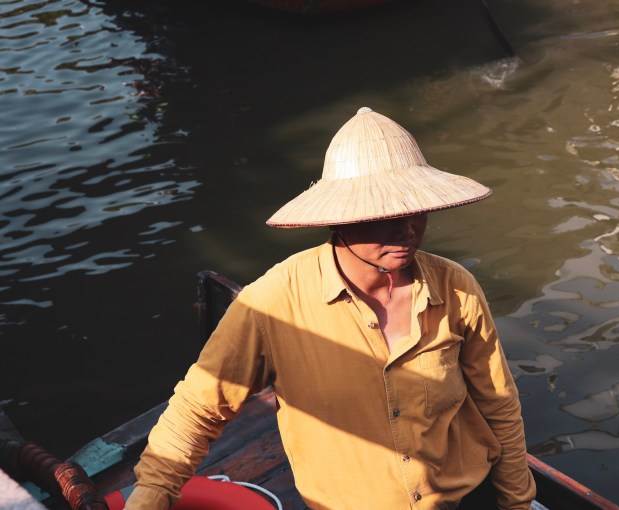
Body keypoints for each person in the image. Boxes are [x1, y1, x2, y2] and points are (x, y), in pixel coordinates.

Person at [125, 107, 536, 509]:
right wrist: (149, 498)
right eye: (386, 214)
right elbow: (196, 410)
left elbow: (497, 401)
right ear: (341, 218)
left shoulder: (456, 287)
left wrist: (518, 501)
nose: (408, 229)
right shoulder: (272, 303)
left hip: (463, 496)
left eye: (416, 211)